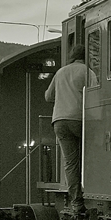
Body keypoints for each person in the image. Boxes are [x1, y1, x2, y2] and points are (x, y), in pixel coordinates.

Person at [45, 43, 90, 211]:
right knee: (88, 156)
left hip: (59, 121)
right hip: (79, 119)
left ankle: (76, 202)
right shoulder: (87, 72)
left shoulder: (60, 72)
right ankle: (91, 190)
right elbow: (96, 93)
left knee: (70, 162)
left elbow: (48, 96)